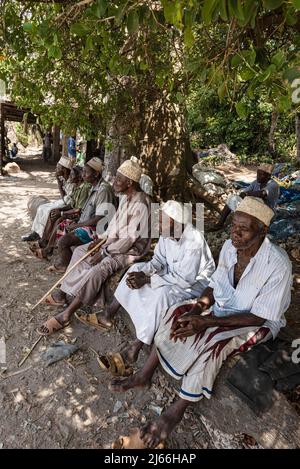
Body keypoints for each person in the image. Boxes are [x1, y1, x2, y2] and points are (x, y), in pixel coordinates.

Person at [110, 197, 292, 448]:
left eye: (244, 228)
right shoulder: (230, 247)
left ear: (263, 231)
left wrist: (207, 323)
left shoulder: (278, 264)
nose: (235, 233)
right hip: (223, 307)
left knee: (213, 344)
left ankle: (175, 413)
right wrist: (195, 310)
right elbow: (215, 285)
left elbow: (260, 316)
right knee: (175, 313)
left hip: (256, 322)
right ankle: (145, 374)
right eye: (234, 226)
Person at [85, 200, 215, 365]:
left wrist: (147, 279)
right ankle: (108, 314)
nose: (158, 225)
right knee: (135, 269)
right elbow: (158, 260)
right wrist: (142, 273)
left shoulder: (193, 240)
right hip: (172, 274)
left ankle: (135, 348)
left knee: (162, 295)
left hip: (195, 285)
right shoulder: (167, 234)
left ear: (175, 223)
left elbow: (185, 280)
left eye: (161, 222)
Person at [37, 156, 152, 336]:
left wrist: (105, 251)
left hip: (128, 251)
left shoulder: (141, 203)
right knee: (81, 252)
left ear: (129, 182)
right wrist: (101, 240)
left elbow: (129, 240)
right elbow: (114, 225)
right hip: (113, 243)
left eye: (119, 179)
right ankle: (65, 293)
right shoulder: (127, 198)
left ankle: (67, 314)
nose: (114, 181)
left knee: (97, 270)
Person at [49, 157, 115, 272]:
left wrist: (77, 226)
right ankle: (66, 263)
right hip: (87, 224)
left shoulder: (103, 190)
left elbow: (99, 218)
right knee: (62, 226)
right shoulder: (93, 187)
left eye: (86, 172)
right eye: (83, 171)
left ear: (95, 174)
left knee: (64, 241)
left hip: (97, 230)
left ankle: (66, 267)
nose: (83, 175)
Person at [32, 166, 92, 259]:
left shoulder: (84, 188)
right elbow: (71, 204)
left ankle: (48, 249)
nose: (70, 177)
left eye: (72, 174)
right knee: (53, 213)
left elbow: (78, 210)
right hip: (74, 212)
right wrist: (59, 210)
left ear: (79, 177)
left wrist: (61, 213)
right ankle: (44, 241)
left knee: (59, 220)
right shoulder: (77, 187)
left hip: (79, 216)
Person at [212, 164, 280, 230]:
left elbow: (262, 193)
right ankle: (220, 223)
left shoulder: (273, 185)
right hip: (256, 210)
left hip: (267, 213)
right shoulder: (256, 182)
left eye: (261, 175)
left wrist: (247, 194)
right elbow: (243, 193)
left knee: (256, 199)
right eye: (258, 174)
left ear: (268, 176)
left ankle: (247, 225)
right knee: (233, 198)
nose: (258, 176)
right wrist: (244, 195)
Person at [21, 156, 74, 242]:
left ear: (64, 169)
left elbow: (66, 199)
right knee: (42, 208)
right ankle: (35, 233)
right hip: (64, 200)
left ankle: (41, 235)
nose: (56, 169)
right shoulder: (63, 179)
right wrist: (59, 181)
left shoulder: (72, 181)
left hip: (67, 203)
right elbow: (63, 197)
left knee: (48, 210)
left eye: (58, 167)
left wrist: (59, 184)